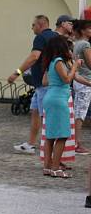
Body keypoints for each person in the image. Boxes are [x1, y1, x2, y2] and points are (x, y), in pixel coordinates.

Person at [8, 15, 58, 154]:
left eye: (33, 25)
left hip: (45, 85)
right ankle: (30, 144)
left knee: (45, 116)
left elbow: (34, 57)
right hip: (42, 85)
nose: (32, 28)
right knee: (35, 113)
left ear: (40, 25)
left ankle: (50, 149)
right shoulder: (55, 36)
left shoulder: (41, 37)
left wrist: (16, 73)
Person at [41, 36, 78, 178]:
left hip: (51, 98)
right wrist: (75, 66)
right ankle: (56, 168)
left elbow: (45, 81)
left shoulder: (51, 62)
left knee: (50, 136)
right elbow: (67, 79)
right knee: (62, 136)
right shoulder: (58, 61)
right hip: (58, 101)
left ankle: (47, 167)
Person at [72, 20, 91, 154]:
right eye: (89, 28)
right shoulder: (85, 44)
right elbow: (90, 63)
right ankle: (76, 143)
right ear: (83, 31)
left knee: (77, 111)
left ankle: (73, 141)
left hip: (78, 79)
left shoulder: (76, 43)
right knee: (80, 113)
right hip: (86, 81)